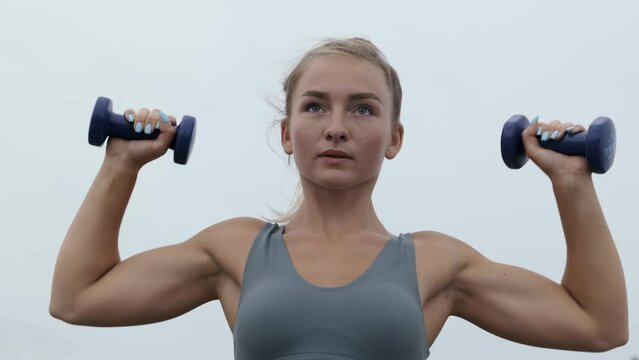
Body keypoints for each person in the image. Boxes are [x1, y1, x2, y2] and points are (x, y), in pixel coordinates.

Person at [49, 37, 628, 359]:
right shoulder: (235, 250)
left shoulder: (433, 263)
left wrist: (571, 183)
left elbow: (599, 326)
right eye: (315, 105)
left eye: (363, 108)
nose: (336, 126)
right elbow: (77, 299)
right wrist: (120, 165)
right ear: (286, 133)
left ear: (394, 138)